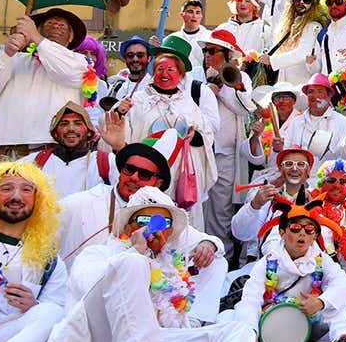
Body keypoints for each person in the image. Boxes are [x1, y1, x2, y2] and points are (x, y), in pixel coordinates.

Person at [35, 187, 268, 342]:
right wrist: (136, 252)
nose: (152, 228)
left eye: (161, 222)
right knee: (132, 263)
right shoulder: (97, 254)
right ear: (127, 227)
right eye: (144, 220)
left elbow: (210, 244)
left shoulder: (170, 265)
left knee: (239, 330)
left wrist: (208, 243)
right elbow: (86, 288)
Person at [233, 196, 346, 342]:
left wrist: (321, 302)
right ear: (282, 233)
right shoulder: (268, 262)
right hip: (270, 327)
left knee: (337, 302)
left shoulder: (321, 259)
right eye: (296, 228)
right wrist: (252, 333)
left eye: (309, 230)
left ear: (314, 237)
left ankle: (341, 341)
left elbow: (345, 284)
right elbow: (250, 299)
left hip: (311, 324)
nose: (302, 234)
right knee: (237, 311)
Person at [114, 36, 218, 230]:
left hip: (180, 177)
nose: (165, 73)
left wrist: (194, 137)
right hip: (145, 176)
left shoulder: (188, 104)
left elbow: (207, 135)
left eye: (171, 69)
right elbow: (118, 135)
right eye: (160, 69)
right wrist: (119, 112)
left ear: (180, 75)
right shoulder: (137, 101)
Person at [0, 162, 67, 342]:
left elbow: (58, 315)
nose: (16, 196)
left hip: (5, 338)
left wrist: (33, 306)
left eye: (26, 189)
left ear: (38, 199)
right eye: (6, 188)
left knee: (51, 312)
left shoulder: (50, 261)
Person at [0, 9, 90, 154]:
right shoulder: (15, 59)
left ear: (71, 37)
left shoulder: (79, 61)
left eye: (62, 26)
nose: (56, 26)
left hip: (52, 150)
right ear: (39, 29)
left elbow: (67, 72)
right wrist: (6, 53)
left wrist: (37, 38)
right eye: (50, 23)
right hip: (7, 148)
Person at [198, 29, 256, 246]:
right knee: (197, 205)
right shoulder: (196, 75)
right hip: (199, 151)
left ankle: (220, 255)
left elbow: (245, 108)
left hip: (225, 154)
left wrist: (221, 86)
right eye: (206, 50)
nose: (208, 55)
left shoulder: (243, 78)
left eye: (213, 51)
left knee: (220, 210)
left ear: (228, 55)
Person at [232, 147, 316, 264]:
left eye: (301, 164)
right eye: (288, 164)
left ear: (309, 170)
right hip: (265, 266)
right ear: (280, 169)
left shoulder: (318, 199)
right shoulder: (267, 197)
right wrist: (254, 205)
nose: (294, 168)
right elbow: (240, 233)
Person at [28, 102, 112, 197]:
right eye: (64, 124)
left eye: (78, 123)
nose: (71, 128)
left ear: (89, 132)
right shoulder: (35, 161)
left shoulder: (105, 161)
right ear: (55, 133)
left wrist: (119, 146)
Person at [308, 159, 346, 284]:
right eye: (331, 180)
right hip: (308, 273)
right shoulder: (308, 205)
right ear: (321, 183)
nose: (337, 186)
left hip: (335, 275)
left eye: (343, 181)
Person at [263, 0, 327, 88]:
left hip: (301, 87)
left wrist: (272, 60)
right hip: (284, 86)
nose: (301, 2)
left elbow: (303, 53)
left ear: (314, 3)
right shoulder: (290, 23)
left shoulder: (313, 26)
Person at [281, 74, 346, 165]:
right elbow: (286, 151)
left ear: (329, 96)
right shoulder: (296, 122)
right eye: (311, 91)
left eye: (320, 91)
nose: (315, 96)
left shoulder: (342, 122)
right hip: (299, 176)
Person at [105, 36, 152, 108]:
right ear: (125, 59)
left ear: (149, 58)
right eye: (130, 55)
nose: (135, 59)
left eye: (140, 55)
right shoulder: (116, 86)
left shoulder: (154, 86)